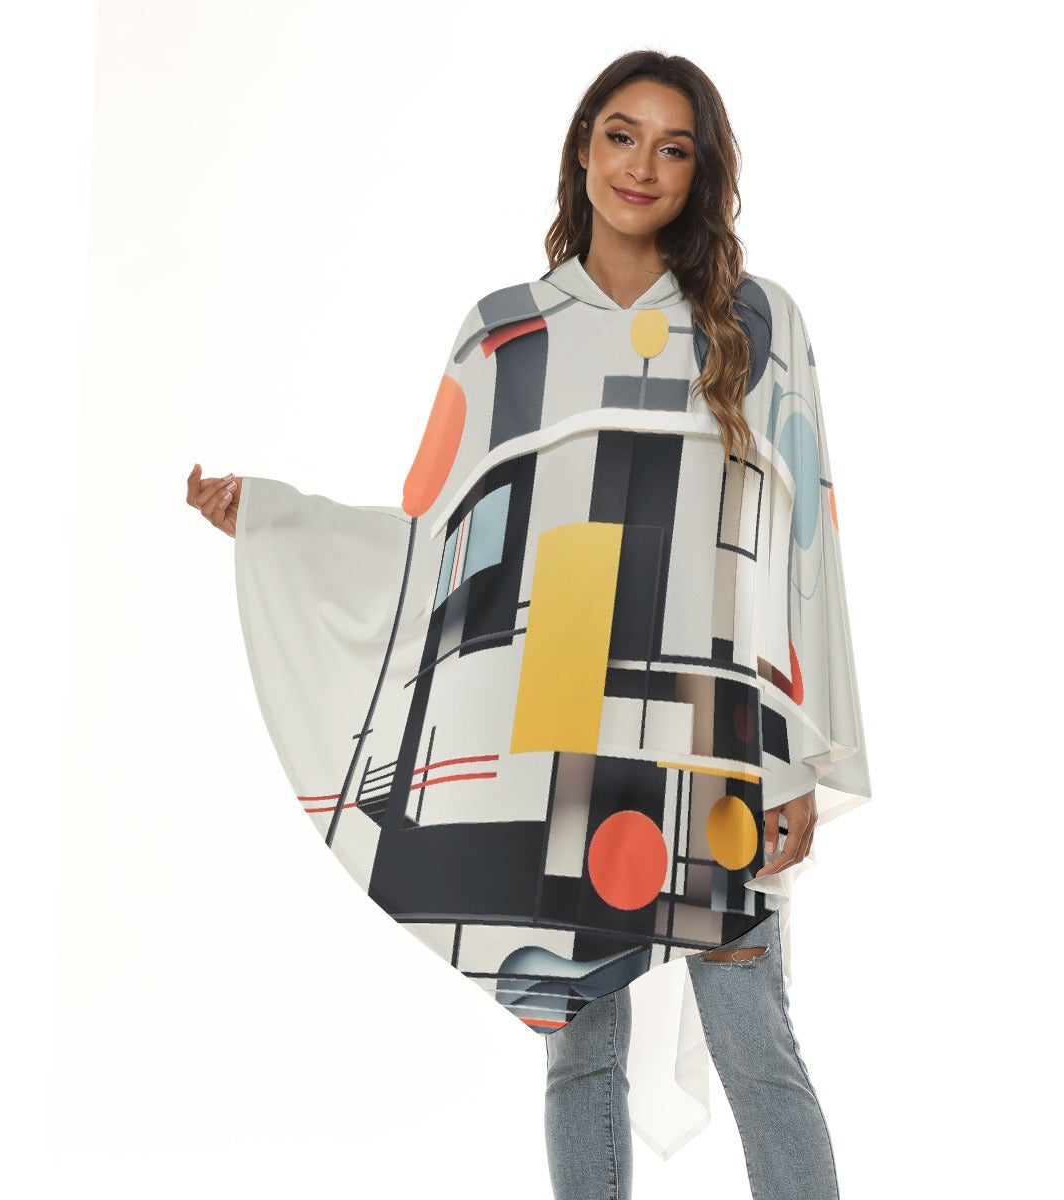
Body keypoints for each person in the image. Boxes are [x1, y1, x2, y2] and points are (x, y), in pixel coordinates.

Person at [187, 49, 870, 1200]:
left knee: (755, 1034)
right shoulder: (505, 333)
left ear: (701, 174)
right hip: (556, 699)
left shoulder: (756, 324)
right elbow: (431, 535)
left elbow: (806, 543)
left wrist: (806, 749)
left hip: (710, 711)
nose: (640, 166)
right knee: (578, 1042)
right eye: (620, 135)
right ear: (582, 148)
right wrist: (278, 518)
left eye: (673, 146)